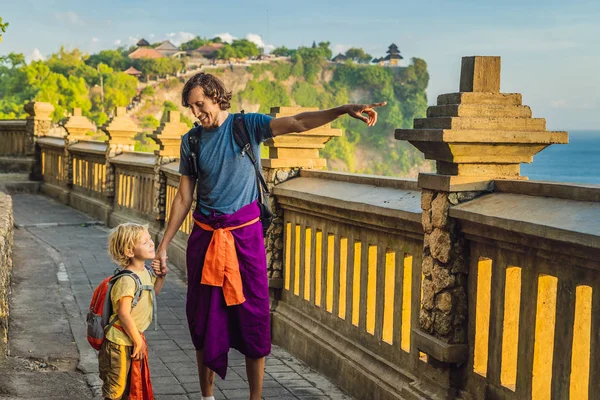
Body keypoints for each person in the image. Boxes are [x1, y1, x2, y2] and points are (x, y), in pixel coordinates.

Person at [154, 72, 385, 400]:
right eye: (191, 107)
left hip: (245, 241)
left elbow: (299, 123)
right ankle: (206, 398)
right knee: (204, 322)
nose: (196, 113)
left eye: (200, 104)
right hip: (206, 240)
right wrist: (163, 246)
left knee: (254, 319)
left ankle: (255, 397)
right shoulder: (191, 141)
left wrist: (341, 108)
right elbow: (182, 198)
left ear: (217, 97)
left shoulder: (246, 126)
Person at [99, 223, 166, 400]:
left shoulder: (145, 271)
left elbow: (153, 292)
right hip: (119, 341)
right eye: (145, 242)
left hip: (131, 337)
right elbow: (123, 313)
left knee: (130, 385)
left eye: (150, 239)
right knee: (116, 388)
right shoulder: (127, 280)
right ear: (129, 251)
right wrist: (138, 341)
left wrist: (161, 277)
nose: (152, 243)